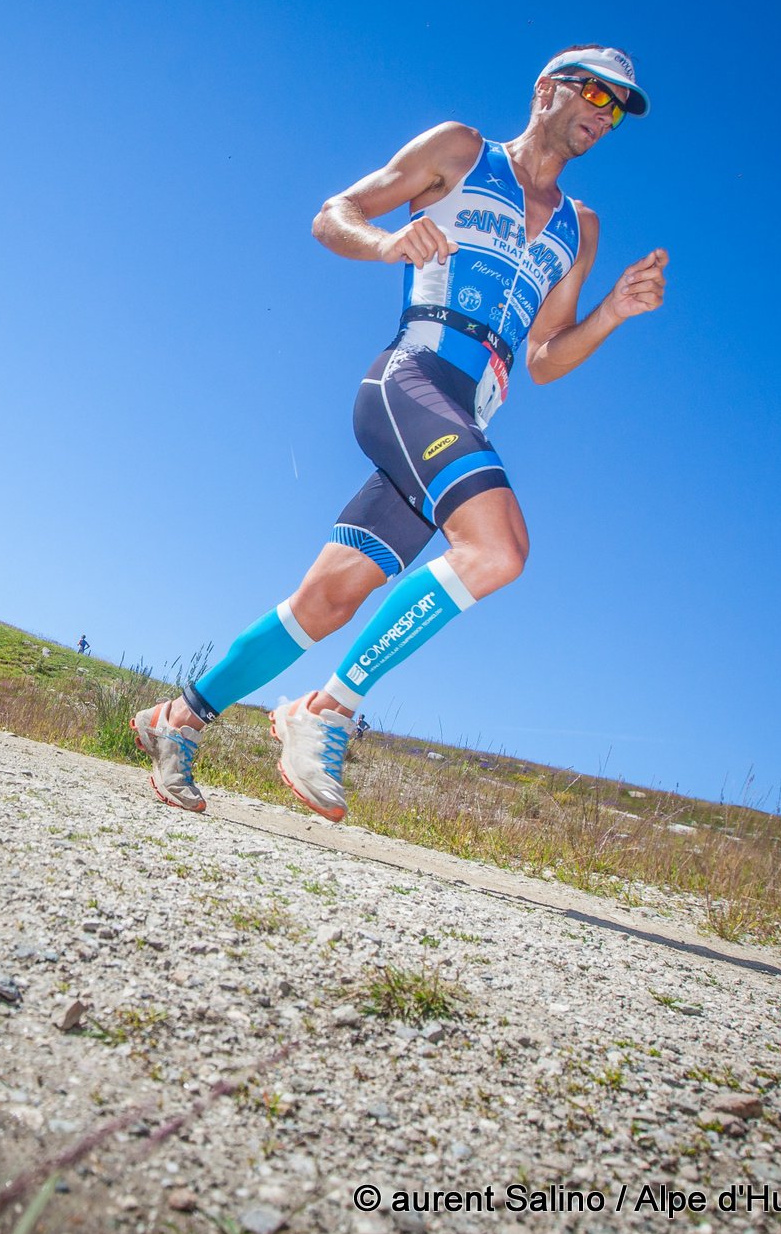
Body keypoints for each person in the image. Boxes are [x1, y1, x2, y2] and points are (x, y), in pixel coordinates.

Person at [132, 46, 666, 820]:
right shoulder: (461, 151)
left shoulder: (581, 227)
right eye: (593, 92)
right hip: (410, 380)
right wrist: (388, 243)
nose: (602, 113)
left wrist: (612, 312)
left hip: (463, 415)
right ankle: (327, 709)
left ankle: (178, 719)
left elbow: (545, 358)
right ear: (547, 88)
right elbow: (334, 214)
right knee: (498, 548)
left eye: (617, 107)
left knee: (327, 601)